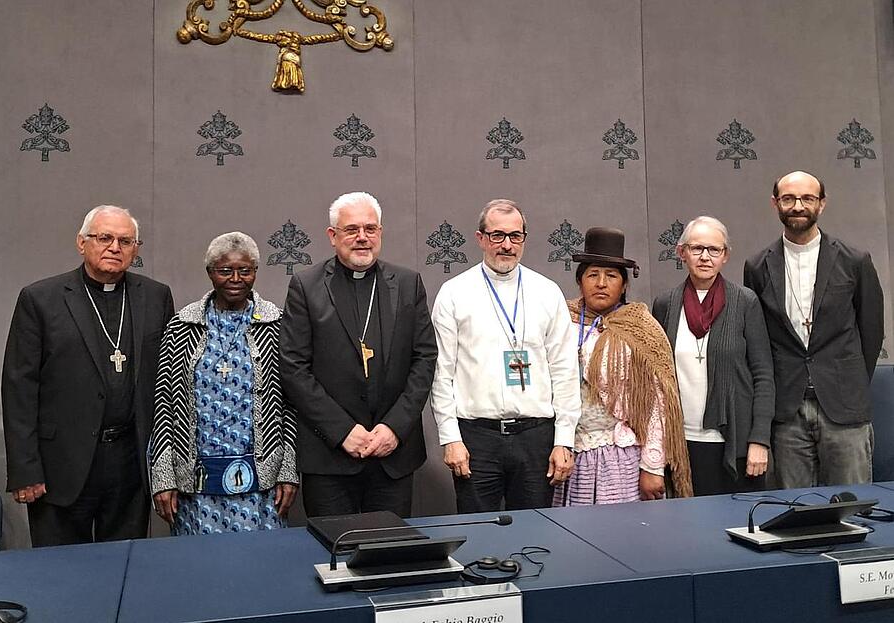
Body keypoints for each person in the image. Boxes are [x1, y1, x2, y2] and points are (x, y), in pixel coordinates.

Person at [2, 205, 174, 546]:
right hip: (60, 466)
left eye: (126, 241)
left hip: (130, 463)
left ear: (136, 249)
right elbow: (19, 389)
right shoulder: (41, 299)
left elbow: (168, 383)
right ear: (82, 243)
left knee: (125, 571)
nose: (115, 247)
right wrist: (26, 470)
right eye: (104, 238)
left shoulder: (155, 296)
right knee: (60, 574)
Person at [279, 192, 436, 518]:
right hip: (330, 458)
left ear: (380, 232)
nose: (362, 238)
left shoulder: (408, 283)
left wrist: (394, 428)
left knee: (389, 556)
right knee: (334, 555)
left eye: (370, 229)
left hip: (392, 454)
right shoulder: (306, 286)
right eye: (351, 230)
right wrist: (342, 432)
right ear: (332, 236)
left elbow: (424, 360)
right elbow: (294, 368)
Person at [430, 199, 580, 513]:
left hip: (536, 437)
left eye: (515, 236)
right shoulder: (455, 293)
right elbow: (441, 374)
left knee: (536, 538)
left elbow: (565, 371)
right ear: (480, 238)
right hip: (476, 439)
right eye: (497, 236)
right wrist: (450, 438)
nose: (507, 245)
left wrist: (563, 439)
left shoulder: (547, 292)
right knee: (477, 536)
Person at [150, 232, 297, 534]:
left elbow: (291, 405)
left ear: (255, 271)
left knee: (262, 566)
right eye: (225, 270)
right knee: (202, 571)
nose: (236, 278)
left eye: (245, 270)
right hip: (197, 484)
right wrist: (163, 477)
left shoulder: (277, 325)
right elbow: (164, 404)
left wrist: (288, 470)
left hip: (262, 483)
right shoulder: (181, 326)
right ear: (210, 273)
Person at [744, 171, 884, 488]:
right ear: (775, 203)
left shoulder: (854, 260)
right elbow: (760, 339)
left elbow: (871, 333)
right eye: (789, 198)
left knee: (853, 507)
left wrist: (850, 382)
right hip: (786, 408)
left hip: (843, 406)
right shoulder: (757, 266)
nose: (798, 206)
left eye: (807, 198)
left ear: (822, 204)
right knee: (792, 510)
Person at [553, 227, 691, 505]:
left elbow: (658, 403)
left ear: (625, 284)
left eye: (611, 276)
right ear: (580, 281)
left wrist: (652, 466)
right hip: (568, 454)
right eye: (593, 275)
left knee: (622, 536)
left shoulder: (641, 328)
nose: (601, 283)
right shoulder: (558, 322)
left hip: (621, 455)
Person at [652, 216, 774, 496]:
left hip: (736, 442)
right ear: (681, 253)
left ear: (725, 256)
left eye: (714, 250)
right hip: (682, 441)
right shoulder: (665, 305)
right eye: (697, 249)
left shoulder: (745, 302)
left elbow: (764, 376)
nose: (705, 257)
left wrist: (759, 440)